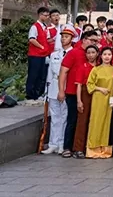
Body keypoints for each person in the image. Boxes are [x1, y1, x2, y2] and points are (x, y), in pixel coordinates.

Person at [41, 25, 77, 155]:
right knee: (55, 117)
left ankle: (62, 143)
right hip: (54, 86)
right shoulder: (54, 54)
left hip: (66, 87)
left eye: (66, 37)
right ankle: (53, 144)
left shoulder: (73, 53)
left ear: (72, 38)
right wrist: (48, 88)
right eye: (62, 37)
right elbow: (50, 73)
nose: (63, 39)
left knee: (64, 117)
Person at [85, 47, 113, 158]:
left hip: (110, 99)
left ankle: (106, 150)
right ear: (101, 56)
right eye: (105, 54)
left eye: (109, 54)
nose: (107, 56)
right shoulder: (96, 69)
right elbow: (89, 84)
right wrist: (100, 89)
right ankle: (93, 149)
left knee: (107, 123)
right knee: (96, 122)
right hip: (98, 98)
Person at [28, 7, 55, 100]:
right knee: (33, 74)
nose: (47, 17)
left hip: (43, 54)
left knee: (41, 75)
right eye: (46, 15)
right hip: (35, 55)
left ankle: (38, 93)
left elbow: (47, 40)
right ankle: (30, 95)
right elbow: (32, 39)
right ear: (40, 15)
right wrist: (41, 46)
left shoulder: (45, 27)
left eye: (48, 15)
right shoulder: (35, 26)